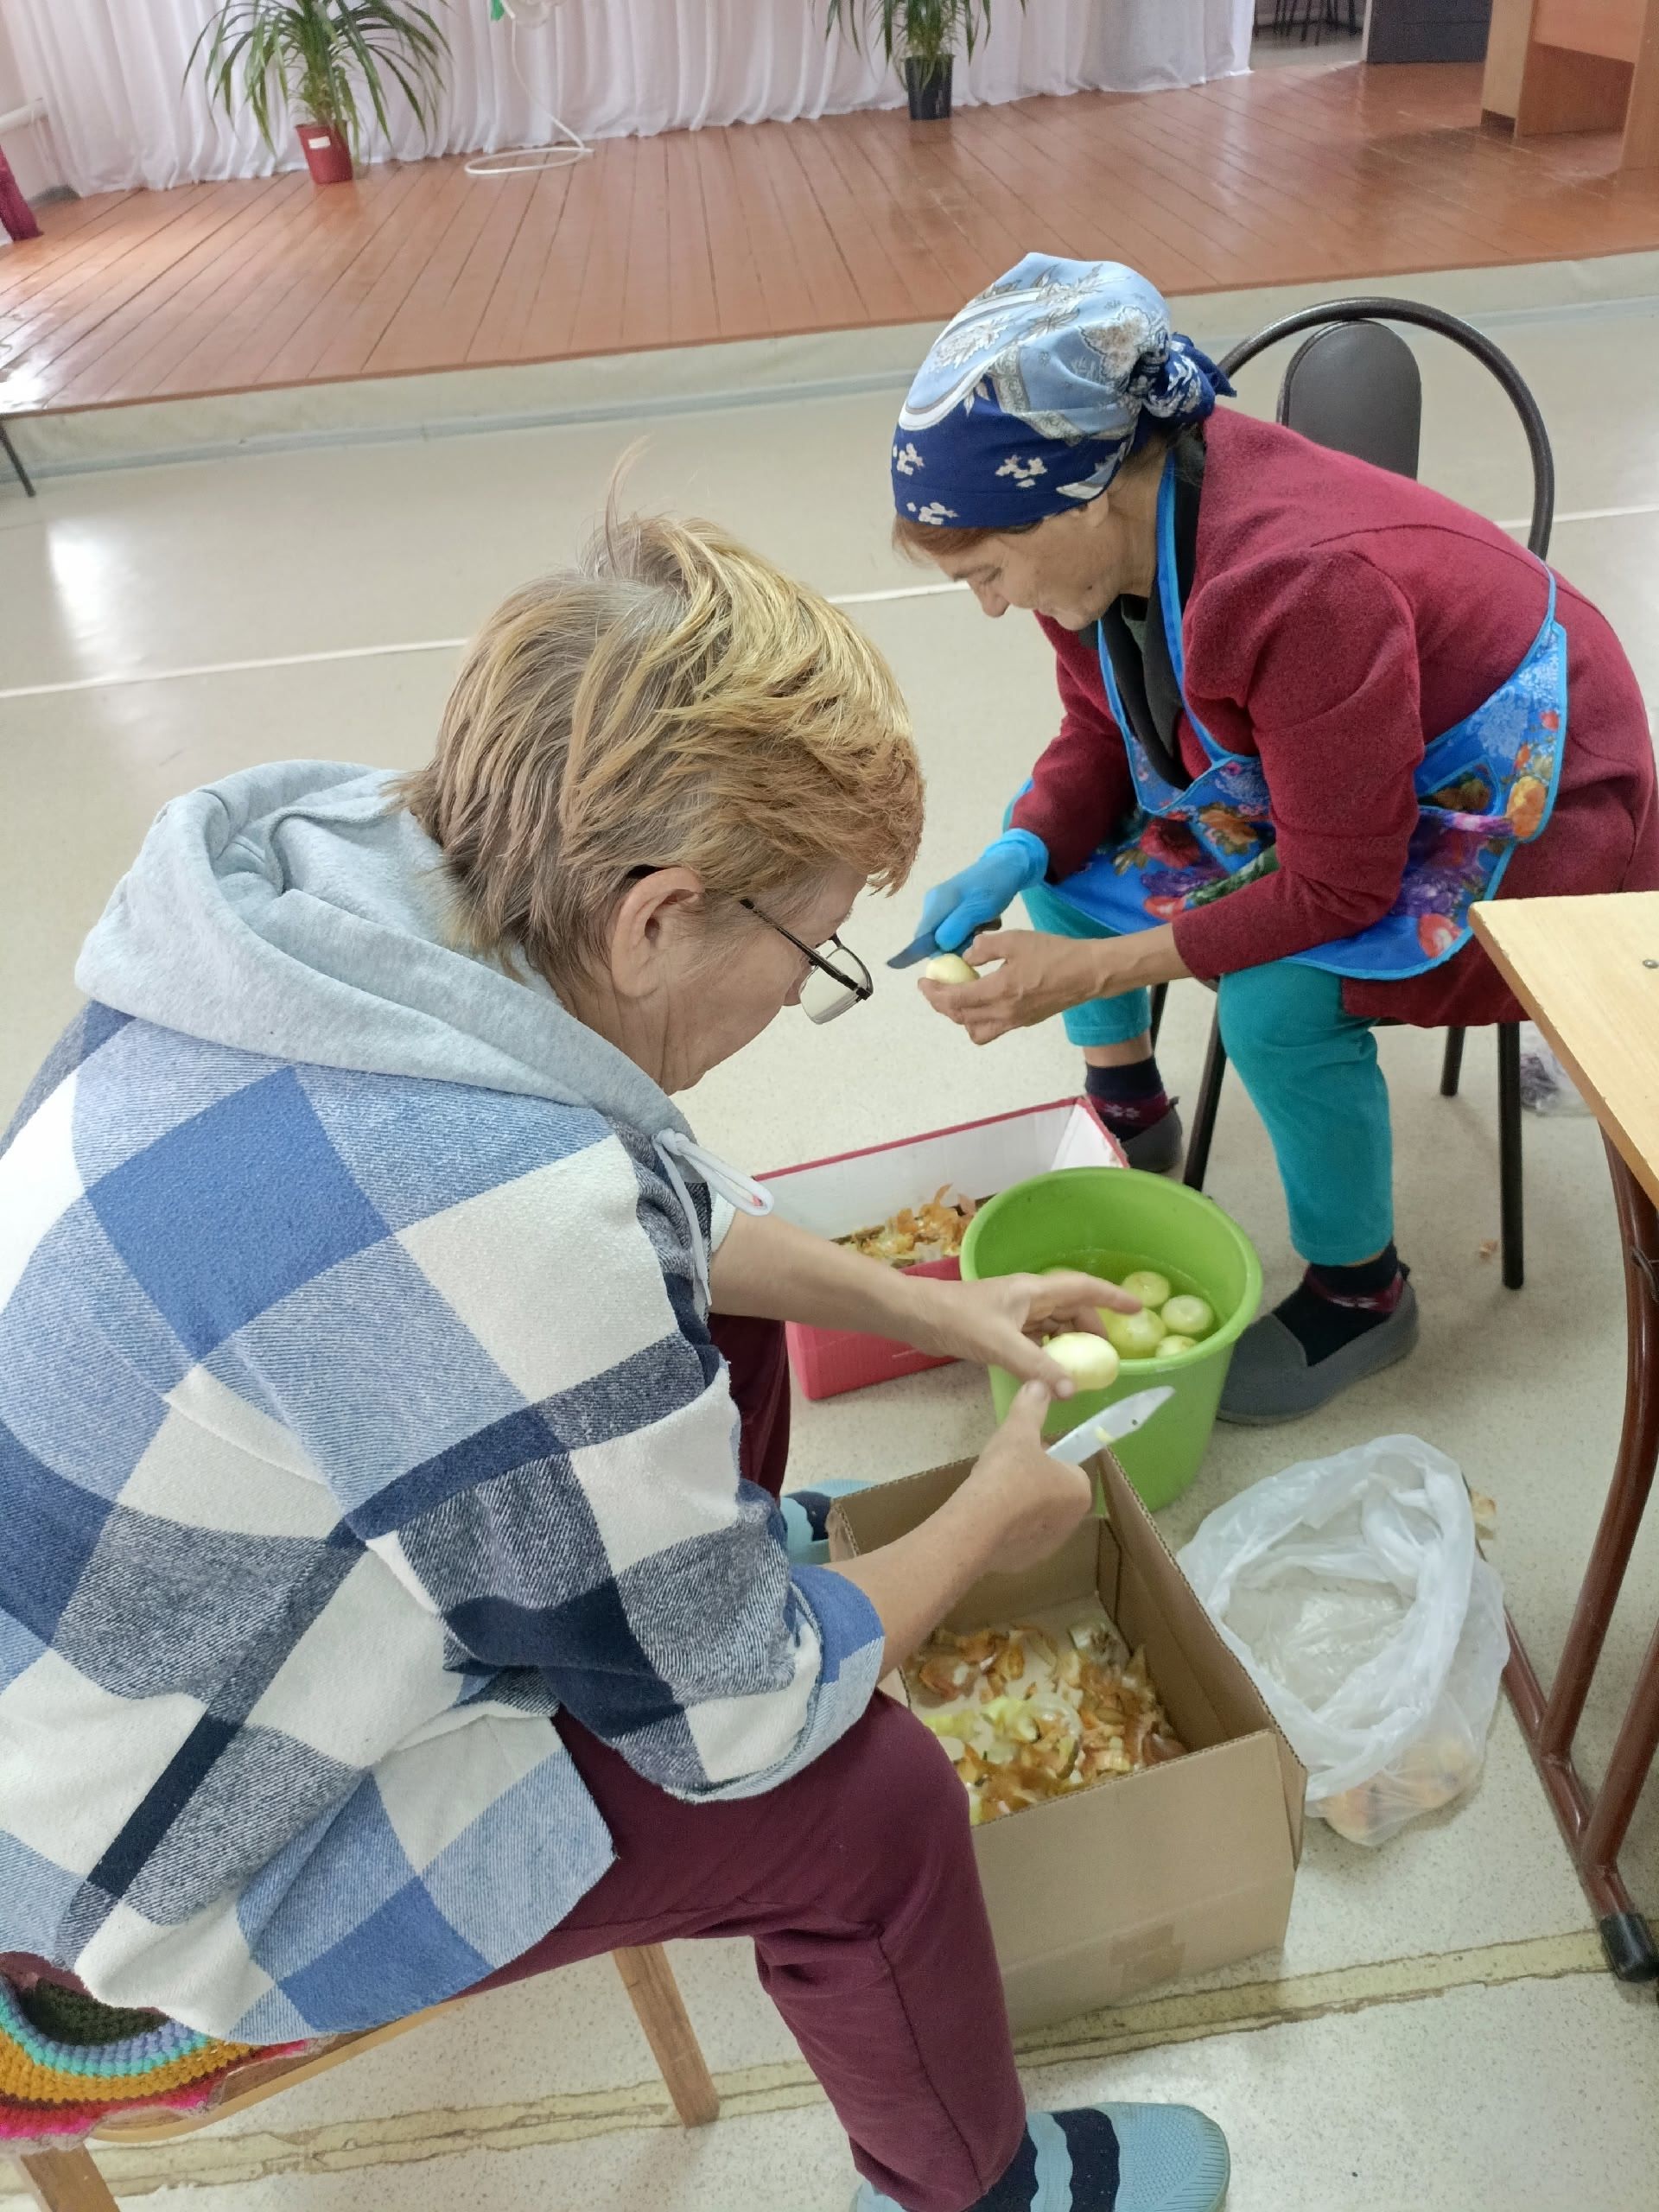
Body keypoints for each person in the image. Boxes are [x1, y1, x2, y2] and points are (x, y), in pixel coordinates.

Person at [0, 514, 1230, 2212]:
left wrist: (943, 1304)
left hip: (90, 1666)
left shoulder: (341, 876)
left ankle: (674, 1584)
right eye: (807, 951)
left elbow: (646, 1198)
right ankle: (976, 2190)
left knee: (720, 1344)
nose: (791, 993)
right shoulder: (509, 1213)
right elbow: (747, 1725)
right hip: (135, 1871)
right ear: (656, 918)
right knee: (868, 1801)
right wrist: (979, 1520)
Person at [892, 254, 1659, 1424]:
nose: (992, 604)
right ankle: (1132, 1114)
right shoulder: (1106, 556)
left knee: (1278, 1005)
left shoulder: (1294, 585)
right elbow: (1103, 731)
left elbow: (1342, 887)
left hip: (1515, 795)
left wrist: (1096, 972)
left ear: (1080, 495)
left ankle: (1362, 1294)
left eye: (990, 571)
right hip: (1337, 768)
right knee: (1065, 868)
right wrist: (1024, 847)